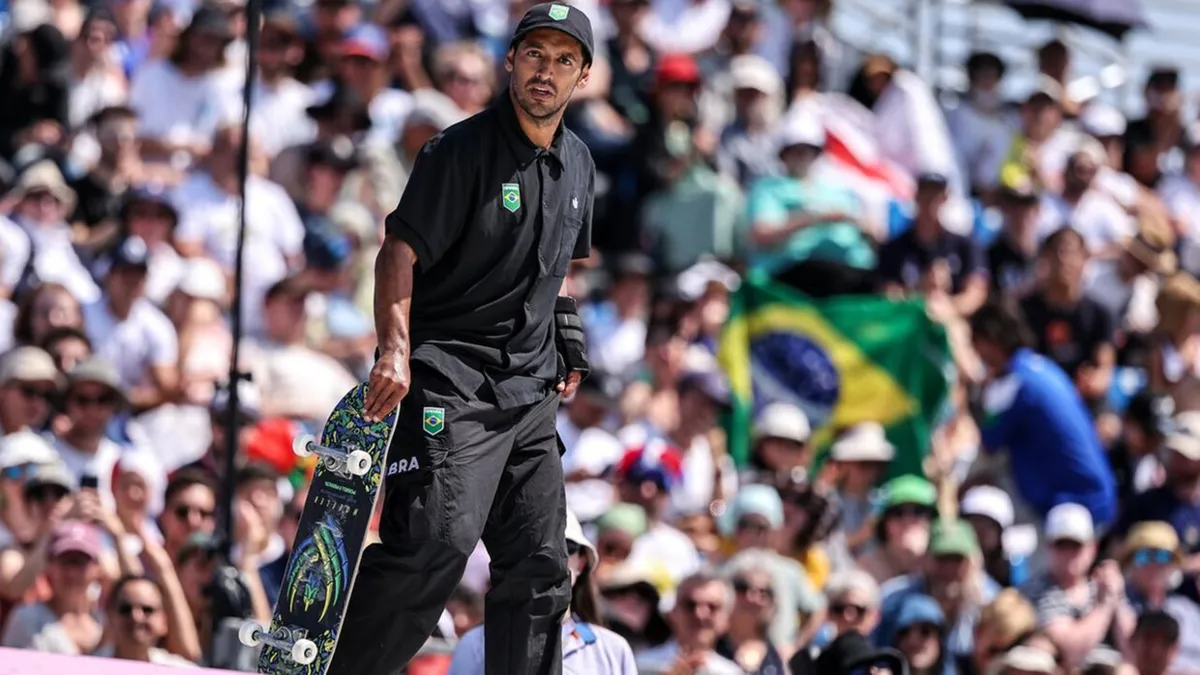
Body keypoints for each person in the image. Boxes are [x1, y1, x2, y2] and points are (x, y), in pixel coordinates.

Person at [332, 5, 598, 674]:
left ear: (583, 76)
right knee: (436, 541)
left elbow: (559, 267)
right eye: (535, 53)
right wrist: (393, 348)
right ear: (510, 61)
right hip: (451, 377)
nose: (548, 69)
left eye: (564, 59)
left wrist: (566, 330)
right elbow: (398, 253)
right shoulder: (458, 150)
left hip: (530, 393)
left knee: (541, 565)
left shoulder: (580, 165)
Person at [969, 297, 1118, 530]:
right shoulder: (1041, 367)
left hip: (1077, 507)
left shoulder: (1015, 383)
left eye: (977, 342)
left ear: (990, 340)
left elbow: (988, 444)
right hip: (1091, 500)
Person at [447, 509, 638, 675]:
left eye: (565, 547)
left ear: (582, 562)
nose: (552, 561)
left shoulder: (613, 649)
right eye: (538, 549)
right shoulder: (477, 644)